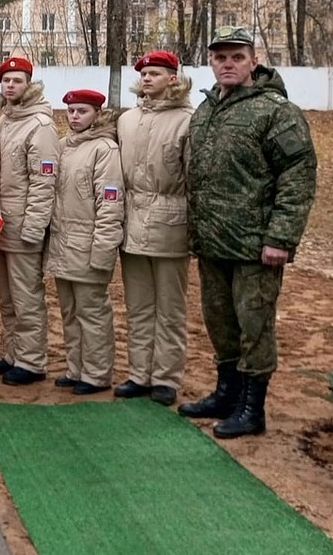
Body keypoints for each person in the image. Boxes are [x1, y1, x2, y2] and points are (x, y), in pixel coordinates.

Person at [180, 26, 317, 438]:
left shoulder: (275, 111)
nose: (227, 63)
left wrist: (281, 238)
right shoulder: (206, 110)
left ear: (252, 61)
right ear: (210, 62)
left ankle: (252, 409)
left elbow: (298, 175)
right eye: (220, 57)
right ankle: (227, 393)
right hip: (212, 242)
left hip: (256, 246)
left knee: (254, 325)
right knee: (220, 322)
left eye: (236, 57)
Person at [116, 50, 192, 406]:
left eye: (156, 73)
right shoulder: (127, 120)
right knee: (140, 304)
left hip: (171, 222)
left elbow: (194, 178)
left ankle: (165, 376)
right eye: (144, 73)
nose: (147, 79)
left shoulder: (187, 120)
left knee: (170, 306)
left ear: (172, 78)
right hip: (132, 221)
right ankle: (139, 373)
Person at [45, 89, 124, 395]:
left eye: (82, 111)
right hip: (63, 243)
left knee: (92, 312)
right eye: (71, 111)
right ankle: (76, 367)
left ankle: (96, 373)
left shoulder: (105, 150)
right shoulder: (63, 147)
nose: (75, 117)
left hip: (88, 244)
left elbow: (110, 202)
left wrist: (103, 249)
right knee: (69, 311)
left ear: (97, 114)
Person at [0, 56, 57, 386]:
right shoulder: (4, 120)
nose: (10, 85)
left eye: (17, 80)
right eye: (6, 81)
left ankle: (32, 361)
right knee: (7, 295)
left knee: (27, 295)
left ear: (29, 83)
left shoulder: (39, 125)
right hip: (1, 223)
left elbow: (44, 181)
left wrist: (34, 226)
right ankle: (15, 353)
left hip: (23, 224)